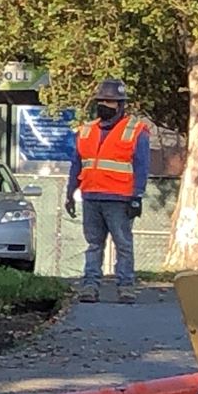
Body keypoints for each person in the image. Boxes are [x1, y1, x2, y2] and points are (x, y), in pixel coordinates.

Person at [66, 77, 152, 303]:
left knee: (123, 244)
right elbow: (77, 164)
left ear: (120, 105)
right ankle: (90, 286)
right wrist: (70, 193)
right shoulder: (86, 130)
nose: (104, 105)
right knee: (94, 244)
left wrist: (137, 196)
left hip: (120, 198)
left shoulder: (136, 131)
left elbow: (141, 166)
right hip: (91, 196)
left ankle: (125, 286)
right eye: (101, 101)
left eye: (110, 101)